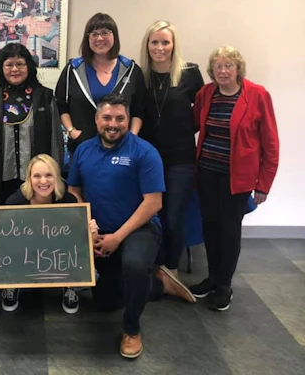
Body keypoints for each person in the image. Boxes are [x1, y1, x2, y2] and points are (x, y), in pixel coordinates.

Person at [67, 94, 195, 359]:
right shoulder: (83, 150)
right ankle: (159, 285)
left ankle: (132, 329)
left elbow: (153, 203)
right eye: (107, 118)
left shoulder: (144, 152)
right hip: (99, 232)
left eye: (120, 118)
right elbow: (74, 191)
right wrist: (88, 230)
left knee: (135, 266)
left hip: (139, 229)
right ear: (97, 119)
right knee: (104, 303)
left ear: (128, 120)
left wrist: (117, 237)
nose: (113, 124)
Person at [189, 46, 280, 311]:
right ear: (211, 71)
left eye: (229, 66)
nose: (223, 71)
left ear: (238, 69)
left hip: (236, 179)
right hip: (206, 172)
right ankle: (213, 277)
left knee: (229, 231)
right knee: (209, 227)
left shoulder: (257, 95)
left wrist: (263, 185)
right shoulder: (206, 94)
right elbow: (192, 124)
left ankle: (225, 285)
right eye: (218, 66)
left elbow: (271, 144)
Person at [0, 154, 99, 314]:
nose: (43, 181)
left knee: (90, 274)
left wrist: (91, 233)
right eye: (37, 176)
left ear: (57, 177)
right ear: (29, 178)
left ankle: (69, 285)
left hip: (57, 256)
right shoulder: (15, 202)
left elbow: (81, 242)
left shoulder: (67, 201)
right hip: (24, 254)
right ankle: (13, 284)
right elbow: (0, 240)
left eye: (49, 175)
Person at [138, 20, 205, 277]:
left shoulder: (190, 73)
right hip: (147, 159)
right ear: (148, 45)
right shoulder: (139, 75)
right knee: (149, 215)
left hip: (180, 159)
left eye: (165, 42)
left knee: (174, 217)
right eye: (154, 42)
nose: (160, 47)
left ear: (174, 44)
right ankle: (149, 266)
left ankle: (170, 270)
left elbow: (201, 114)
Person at [0, 43, 64, 205]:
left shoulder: (45, 96)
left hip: (39, 180)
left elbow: (55, 138)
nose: (14, 69)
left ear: (29, 66)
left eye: (20, 64)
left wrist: (55, 172)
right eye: (9, 65)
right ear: (1, 68)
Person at [55, 13, 146, 155]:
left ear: (114, 36)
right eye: (94, 34)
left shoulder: (131, 70)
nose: (99, 38)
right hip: (82, 148)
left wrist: (132, 136)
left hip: (122, 148)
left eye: (105, 33)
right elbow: (61, 105)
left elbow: (139, 108)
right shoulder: (73, 70)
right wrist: (72, 132)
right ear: (88, 38)